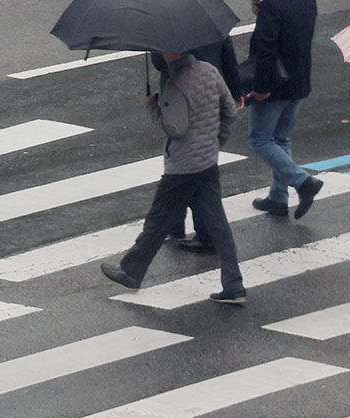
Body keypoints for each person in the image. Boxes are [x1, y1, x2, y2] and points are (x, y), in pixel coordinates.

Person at [101, 51, 247, 305]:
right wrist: (215, 142)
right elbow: (230, 112)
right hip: (207, 161)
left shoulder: (175, 85)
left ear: (169, 53)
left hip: (182, 167)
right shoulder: (209, 70)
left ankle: (131, 272)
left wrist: (152, 106)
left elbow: (175, 128)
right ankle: (233, 284)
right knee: (218, 225)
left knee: (158, 221)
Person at [247, 0, 323, 220]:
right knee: (280, 139)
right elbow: (292, 32)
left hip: (274, 83)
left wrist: (261, 86)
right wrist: (263, 13)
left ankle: (303, 181)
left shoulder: (273, 4)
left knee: (260, 139)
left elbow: (266, 49)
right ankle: (278, 198)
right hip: (298, 79)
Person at [151, 37, 244, 252]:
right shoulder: (208, 25)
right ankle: (199, 232)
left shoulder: (165, 30)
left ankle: (182, 227)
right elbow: (227, 55)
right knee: (202, 167)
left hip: (178, 93)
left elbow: (160, 62)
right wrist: (235, 90)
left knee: (181, 163)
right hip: (210, 92)